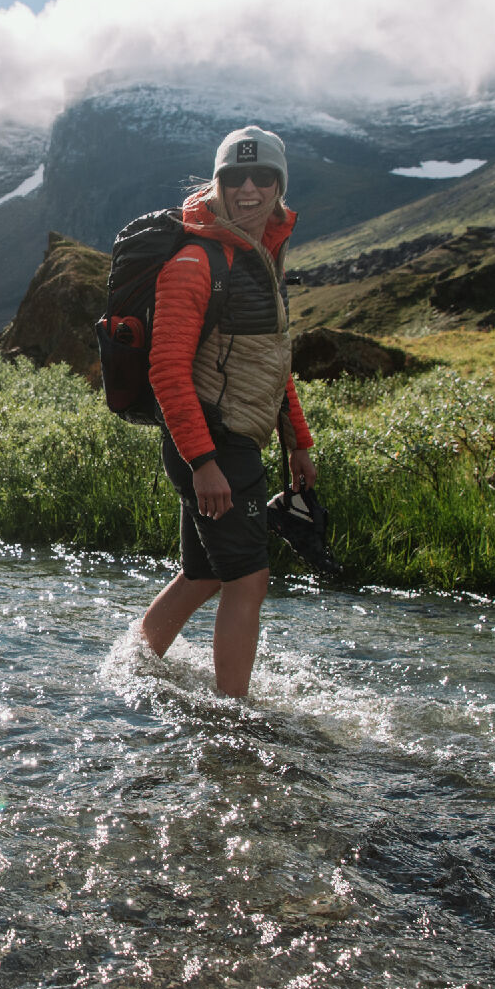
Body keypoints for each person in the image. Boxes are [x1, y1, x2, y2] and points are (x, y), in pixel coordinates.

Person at [137, 125, 315, 699]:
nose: (247, 188)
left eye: (261, 176)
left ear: (278, 185)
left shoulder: (262, 255)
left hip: (232, 440)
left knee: (206, 572)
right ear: (216, 183)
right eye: (233, 176)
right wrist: (204, 462)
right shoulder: (194, 261)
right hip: (211, 443)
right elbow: (165, 369)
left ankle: (133, 665)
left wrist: (298, 442)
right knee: (249, 577)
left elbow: (272, 360)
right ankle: (234, 716)